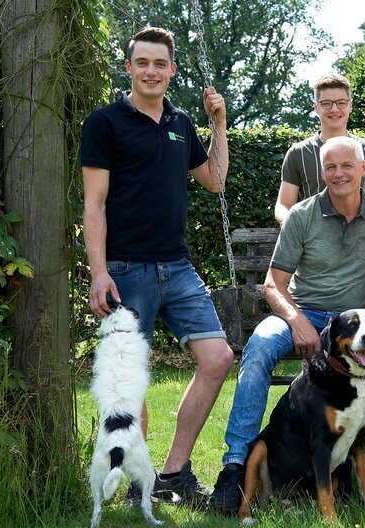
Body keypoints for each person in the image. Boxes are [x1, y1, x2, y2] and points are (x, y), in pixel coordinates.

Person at [81, 27, 234, 505]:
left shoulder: (181, 122)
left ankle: (173, 472)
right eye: (142, 62)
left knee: (219, 358)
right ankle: (135, 481)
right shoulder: (105, 123)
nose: (151, 71)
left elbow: (215, 181)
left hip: (178, 268)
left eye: (160, 64)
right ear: (128, 68)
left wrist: (219, 125)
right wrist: (99, 271)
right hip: (126, 269)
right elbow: (94, 204)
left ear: (171, 70)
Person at [208, 136, 365, 514]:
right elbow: (273, 283)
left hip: (354, 324)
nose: (338, 173)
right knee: (259, 347)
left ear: (364, 169)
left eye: (346, 166)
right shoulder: (302, 215)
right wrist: (296, 320)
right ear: (321, 172)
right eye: (330, 167)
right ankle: (236, 465)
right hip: (302, 311)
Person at [275, 72, 365, 452]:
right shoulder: (300, 153)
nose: (333, 109)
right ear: (316, 107)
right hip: (312, 253)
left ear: (349, 106)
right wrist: (299, 224)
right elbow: (284, 202)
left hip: (359, 252)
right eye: (325, 103)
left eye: (340, 102)